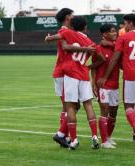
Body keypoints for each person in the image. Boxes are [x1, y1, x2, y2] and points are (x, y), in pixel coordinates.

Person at [45, 16, 105, 150]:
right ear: (85, 27)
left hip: (71, 74)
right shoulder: (90, 42)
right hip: (83, 75)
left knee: (70, 106)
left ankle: (74, 139)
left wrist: (48, 38)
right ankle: (95, 136)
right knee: (88, 105)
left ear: (72, 26)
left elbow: (53, 39)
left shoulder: (68, 33)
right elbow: (101, 58)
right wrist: (88, 66)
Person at [97, 14, 135, 147]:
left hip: (131, 75)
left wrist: (105, 76)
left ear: (131, 24)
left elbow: (115, 58)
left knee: (128, 105)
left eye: (125, 24)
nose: (123, 26)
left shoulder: (124, 38)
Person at [90, 24, 119, 148]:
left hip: (115, 84)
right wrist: (93, 83)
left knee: (114, 112)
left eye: (115, 31)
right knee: (104, 111)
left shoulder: (117, 47)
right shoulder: (98, 48)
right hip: (103, 85)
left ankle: (108, 137)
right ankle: (104, 141)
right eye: (112, 32)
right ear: (105, 34)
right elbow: (94, 67)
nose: (115, 33)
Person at [49, 8, 76, 148]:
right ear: (67, 17)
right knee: (71, 106)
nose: (74, 17)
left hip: (61, 72)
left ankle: (63, 136)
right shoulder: (64, 31)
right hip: (63, 72)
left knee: (67, 106)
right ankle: (61, 134)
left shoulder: (64, 31)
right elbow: (64, 45)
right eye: (72, 15)